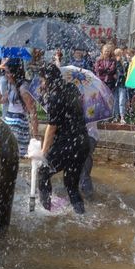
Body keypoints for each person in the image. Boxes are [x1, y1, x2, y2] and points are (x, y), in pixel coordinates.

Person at [36, 63, 90, 214]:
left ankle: (45, 210)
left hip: (69, 144)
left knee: (43, 171)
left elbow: (52, 127)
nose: (41, 83)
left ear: (47, 80)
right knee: (71, 185)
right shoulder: (72, 88)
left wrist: (43, 153)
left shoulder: (54, 96)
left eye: (42, 80)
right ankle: (81, 215)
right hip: (82, 141)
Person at [0, 58, 38, 157]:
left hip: (19, 126)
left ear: (15, 73)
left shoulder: (23, 89)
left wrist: (35, 136)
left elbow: (33, 112)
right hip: (9, 123)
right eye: (5, 73)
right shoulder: (11, 86)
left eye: (8, 73)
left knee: (15, 155)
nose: (6, 76)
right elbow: (1, 100)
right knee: (7, 155)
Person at [113, 48, 130, 124]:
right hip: (114, 84)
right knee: (115, 101)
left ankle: (122, 117)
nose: (118, 56)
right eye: (116, 55)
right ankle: (116, 116)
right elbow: (112, 71)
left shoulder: (125, 63)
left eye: (119, 54)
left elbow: (125, 72)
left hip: (122, 84)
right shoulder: (113, 62)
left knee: (121, 101)